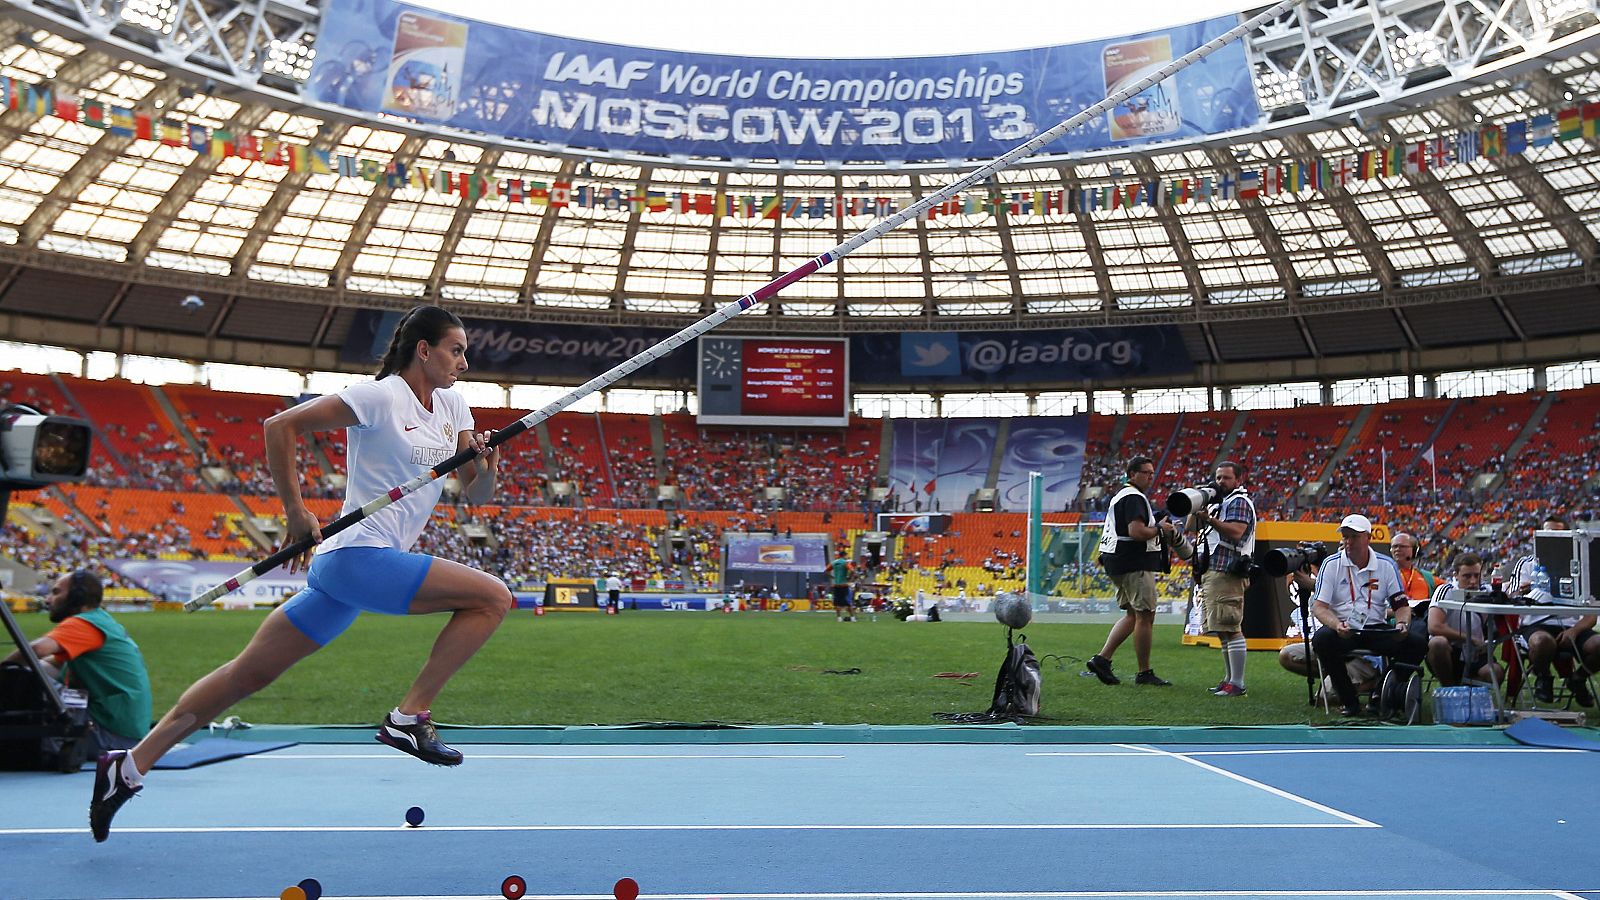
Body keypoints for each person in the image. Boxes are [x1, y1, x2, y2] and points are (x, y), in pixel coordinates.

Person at [89, 305, 512, 842]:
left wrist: (485, 465)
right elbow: (279, 426)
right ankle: (409, 717)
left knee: (246, 676)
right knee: (492, 598)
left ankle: (126, 768)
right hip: (356, 554)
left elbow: (475, 495)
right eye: (456, 350)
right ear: (423, 350)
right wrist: (295, 510)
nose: (464, 362)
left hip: (352, 575)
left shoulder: (453, 404)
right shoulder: (380, 396)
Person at [3, 571, 151, 758]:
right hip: (125, 732)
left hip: (110, 736)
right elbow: (45, 664)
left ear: (77, 596)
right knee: (29, 673)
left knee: (26, 681)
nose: (49, 599)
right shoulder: (101, 620)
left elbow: (37, 650)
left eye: (56, 592)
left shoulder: (82, 623)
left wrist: (4, 669)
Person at [1309, 514, 1414, 717]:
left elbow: (1401, 605)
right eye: (1345, 537)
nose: (1348, 542)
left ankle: (1381, 692)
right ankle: (1349, 700)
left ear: (1368, 537)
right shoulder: (1331, 564)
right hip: (1344, 628)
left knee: (1417, 641)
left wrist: (1402, 624)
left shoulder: (1385, 565)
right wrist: (1337, 625)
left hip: (1376, 627)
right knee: (1322, 639)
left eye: (1354, 537)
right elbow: (1319, 607)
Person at [1087, 456, 1178, 687]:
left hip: (1117, 561)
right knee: (1145, 616)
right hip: (1134, 563)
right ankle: (1144, 672)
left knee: (1133, 615)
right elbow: (1137, 532)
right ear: (1132, 474)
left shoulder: (1121, 496)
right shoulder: (1134, 497)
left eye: (1151, 471)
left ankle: (1102, 659)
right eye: (1146, 472)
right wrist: (1160, 528)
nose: (1150, 476)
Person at [1509, 515, 1598, 705]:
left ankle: (1578, 678)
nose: (1551, 537)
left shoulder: (1580, 565)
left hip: (1571, 626)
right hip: (1535, 625)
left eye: (1558, 533)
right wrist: (1525, 589)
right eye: (1547, 532)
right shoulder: (1526, 563)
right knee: (1542, 642)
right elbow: (1510, 596)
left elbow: (1592, 614)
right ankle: (1543, 676)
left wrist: (1575, 631)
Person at [1191, 460, 1255, 697]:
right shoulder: (1222, 502)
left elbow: (1237, 532)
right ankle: (1229, 680)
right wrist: (1197, 504)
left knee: (1230, 625)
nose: (1220, 482)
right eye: (1218, 478)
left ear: (1238, 480)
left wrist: (1210, 520)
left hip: (1228, 570)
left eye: (1226, 478)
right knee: (1222, 628)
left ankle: (1236, 683)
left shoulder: (1238, 501)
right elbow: (1191, 526)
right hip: (1215, 569)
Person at [1426, 552, 1501, 688]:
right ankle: (1448, 688)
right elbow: (1434, 626)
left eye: (1476, 576)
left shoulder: (1487, 591)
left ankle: (1468, 689)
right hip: (1450, 651)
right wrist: (1469, 638)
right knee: (1438, 643)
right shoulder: (1446, 590)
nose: (1472, 581)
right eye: (1467, 576)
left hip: (1475, 653)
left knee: (1495, 673)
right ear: (1455, 575)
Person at [831, 552, 854, 622]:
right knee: (848, 602)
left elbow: (826, 571)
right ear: (844, 556)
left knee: (837, 603)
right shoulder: (845, 563)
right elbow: (852, 570)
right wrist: (849, 577)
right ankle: (852, 618)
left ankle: (839, 618)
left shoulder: (834, 562)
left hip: (836, 585)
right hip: (844, 585)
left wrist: (833, 577)